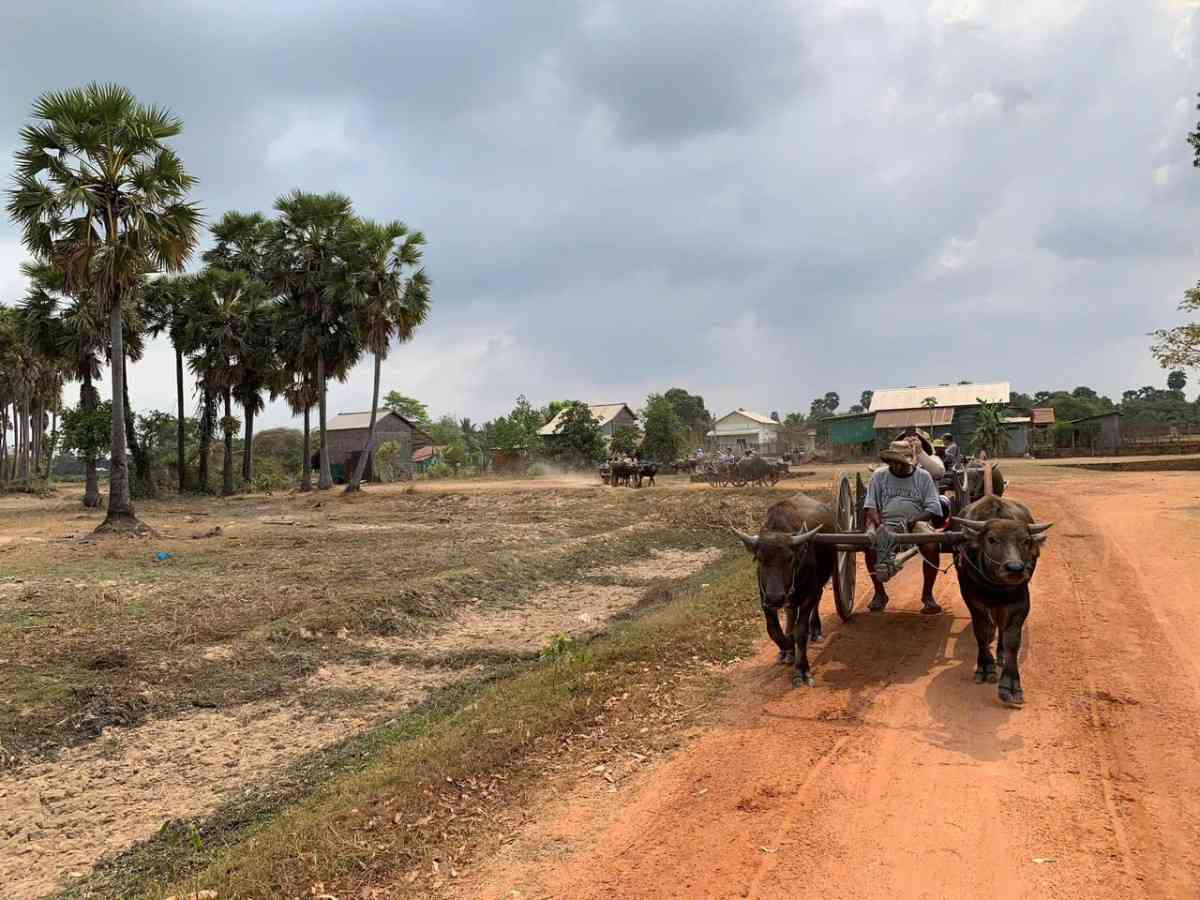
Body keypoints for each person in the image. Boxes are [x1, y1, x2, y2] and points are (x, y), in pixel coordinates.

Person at [863, 440, 944, 615]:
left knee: (931, 546)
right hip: (886, 522)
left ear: (909, 462)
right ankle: (879, 593)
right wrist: (879, 526)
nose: (896, 466)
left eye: (901, 463)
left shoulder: (923, 476)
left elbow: (933, 508)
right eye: (893, 462)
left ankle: (927, 596)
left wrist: (914, 520)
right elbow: (871, 507)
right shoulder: (879, 475)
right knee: (870, 545)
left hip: (917, 523)